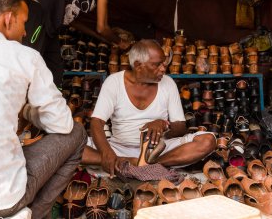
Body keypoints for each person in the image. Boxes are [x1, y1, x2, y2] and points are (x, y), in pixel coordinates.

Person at [0, 0, 87, 219]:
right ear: (8, 19)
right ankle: (37, 214)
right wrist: (28, 111)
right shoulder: (25, 56)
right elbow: (62, 124)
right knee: (76, 133)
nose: (26, 32)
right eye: (24, 22)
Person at [83, 39, 216, 177]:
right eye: (157, 65)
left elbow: (180, 127)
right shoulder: (114, 82)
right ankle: (131, 161)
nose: (163, 69)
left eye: (164, 63)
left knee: (208, 141)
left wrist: (164, 124)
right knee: (72, 145)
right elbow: (96, 122)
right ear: (138, 65)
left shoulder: (168, 84)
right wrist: (107, 153)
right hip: (119, 148)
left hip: (158, 150)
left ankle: (146, 164)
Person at [22, 0, 131, 86]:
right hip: (39, 16)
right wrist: (120, 42)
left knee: (54, 73)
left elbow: (74, 21)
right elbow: (102, 27)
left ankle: (50, 103)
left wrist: (102, 39)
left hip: (51, 28)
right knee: (29, 65)